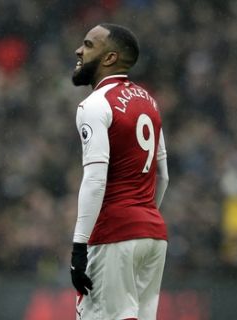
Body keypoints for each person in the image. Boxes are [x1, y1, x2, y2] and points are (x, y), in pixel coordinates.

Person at [69, 23, 169, 320]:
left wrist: (79, 246)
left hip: (114, 232)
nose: (78, 50)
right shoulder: (149, 102)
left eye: (88, 45)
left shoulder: (95, 105)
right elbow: (163, 175)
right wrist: (143, 214)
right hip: (153, 234)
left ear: (110, 58)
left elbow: (96, 178)